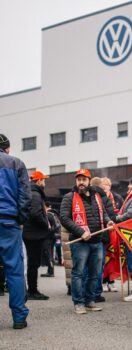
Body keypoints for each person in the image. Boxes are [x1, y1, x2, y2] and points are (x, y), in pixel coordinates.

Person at [60, 169, 114, 314]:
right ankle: (78, 303)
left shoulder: (97, 196)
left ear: (89, 181)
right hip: (80, 242)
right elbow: (64, 218)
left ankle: (90, 300)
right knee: (78, 273)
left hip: (97, 241)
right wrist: (81, 232)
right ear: (76, 181)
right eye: (79, 179)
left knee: (95, 274)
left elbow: (104, 214)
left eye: (84, 179)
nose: (81, 182)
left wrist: (108, 222)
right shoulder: (69, 197)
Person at [0, 134, 31, 329]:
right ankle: (19, 318)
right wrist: (19, 219)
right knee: (14, 271)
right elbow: (25, 196)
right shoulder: (16, 163)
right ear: (7, 148)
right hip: (9, 222)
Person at [23, 170, 50, 300]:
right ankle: (32, 291)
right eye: (43, 180)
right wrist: (46, 224)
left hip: (31, 233)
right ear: (38, 181)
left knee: (33, 263)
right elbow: (35, 213)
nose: (44, 182)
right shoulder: (35, 194)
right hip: (34, 234)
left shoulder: (31, 192)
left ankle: (32, 290)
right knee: (33, 263)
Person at [100, 177, 123, 292]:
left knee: (113, 257)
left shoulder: (117, 198)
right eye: (102, 185)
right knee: (104, 258)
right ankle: (104, 281)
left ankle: (112, 281)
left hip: (114, 232)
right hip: (103, 232)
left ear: (110, 186)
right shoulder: (98, 197)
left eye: (106, 185)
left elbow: (122, 212)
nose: (105, 187)